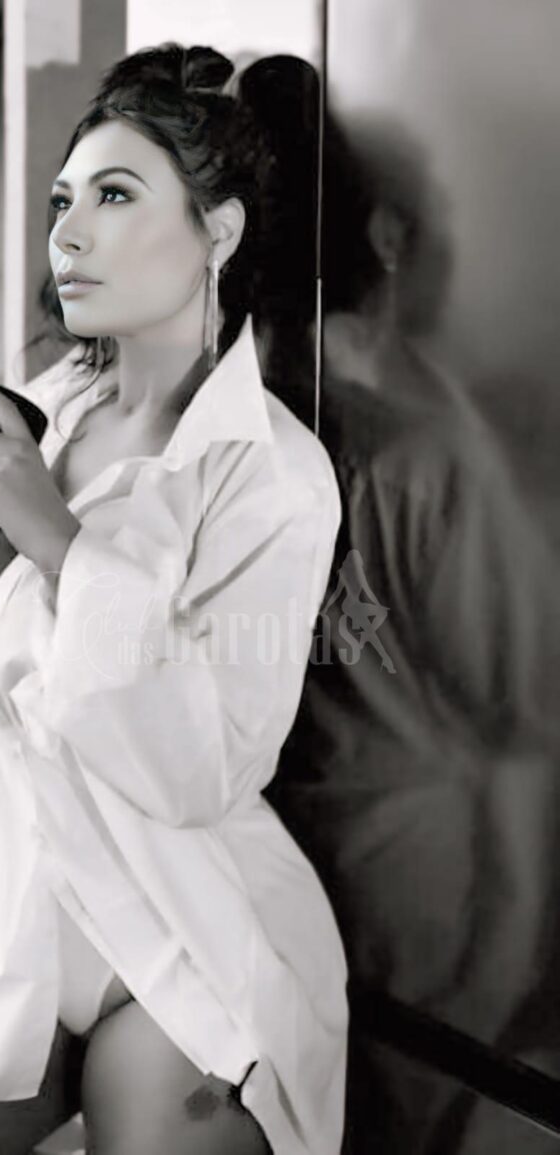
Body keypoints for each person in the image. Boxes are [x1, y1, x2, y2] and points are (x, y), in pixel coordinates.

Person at [0, 44, 348, 1155]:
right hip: (40, 937)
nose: (69, 233)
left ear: (219, 231)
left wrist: (53, 533)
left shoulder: (270, 473)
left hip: (194, 946)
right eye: (61, 201)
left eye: (115, 195)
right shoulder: (45, 413)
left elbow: (199, 773)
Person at [267, 114, 560, 1153]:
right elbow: (519, 733)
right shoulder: (417, 464)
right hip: (378, 905)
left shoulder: (401, 459)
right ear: (382, 237)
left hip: (360, 900)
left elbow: (519, 736)